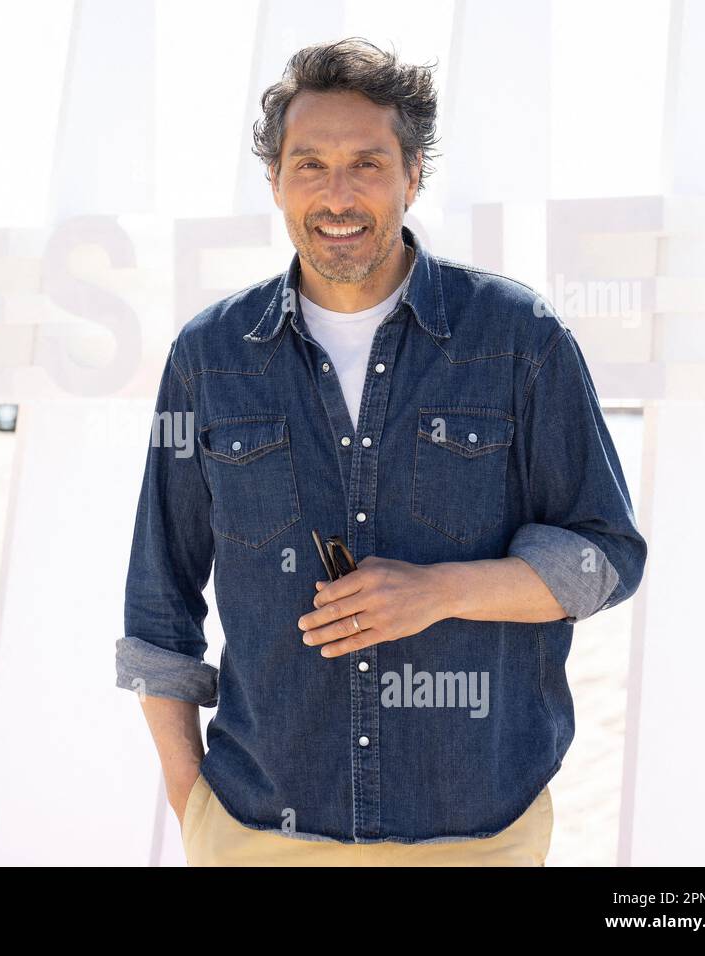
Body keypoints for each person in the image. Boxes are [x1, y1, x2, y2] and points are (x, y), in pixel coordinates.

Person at [116, 37, 647, 866]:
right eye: (309, 164)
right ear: (275, 180)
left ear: (414, 174)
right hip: (258, 834)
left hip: (474, 836)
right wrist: (196, 811)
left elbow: (605, 558)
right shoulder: (209, 356)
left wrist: (441, 591)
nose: (337, 194)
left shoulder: (518, 338)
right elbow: (158, 604)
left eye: (367, 163)